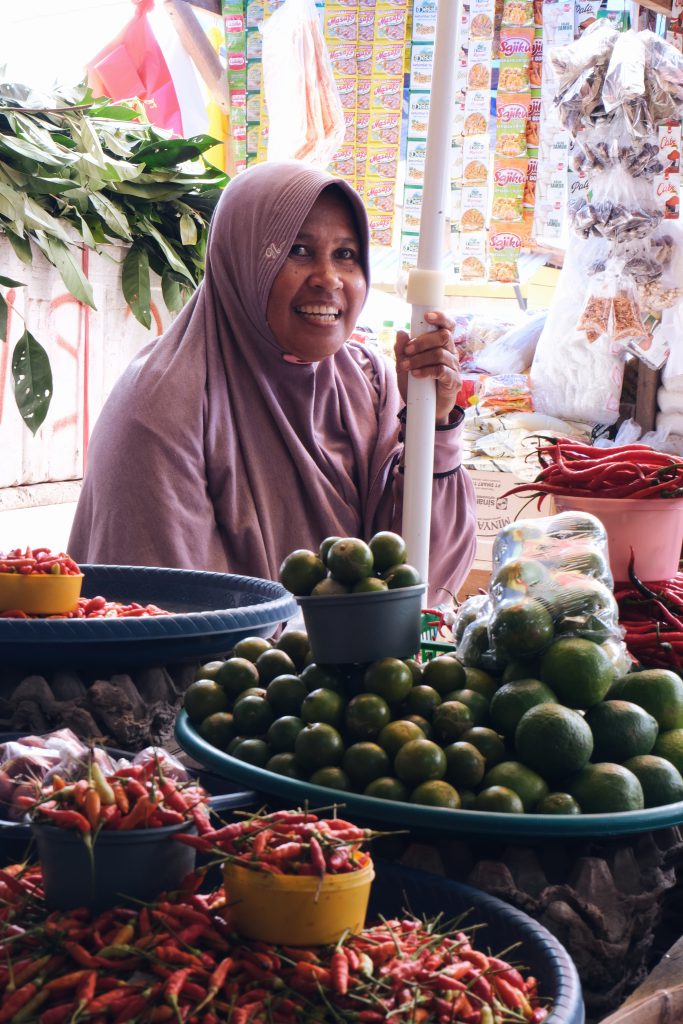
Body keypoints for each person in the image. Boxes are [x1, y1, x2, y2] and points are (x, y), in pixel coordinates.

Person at [69, 161, 476, 605]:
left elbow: (425, 580)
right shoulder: (163, 408)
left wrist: (433, 425)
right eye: (298, 251)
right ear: (240, 261)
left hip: (353, 668)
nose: (329, 279)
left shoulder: (369, 381)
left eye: (346, 254)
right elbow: (167, 620)